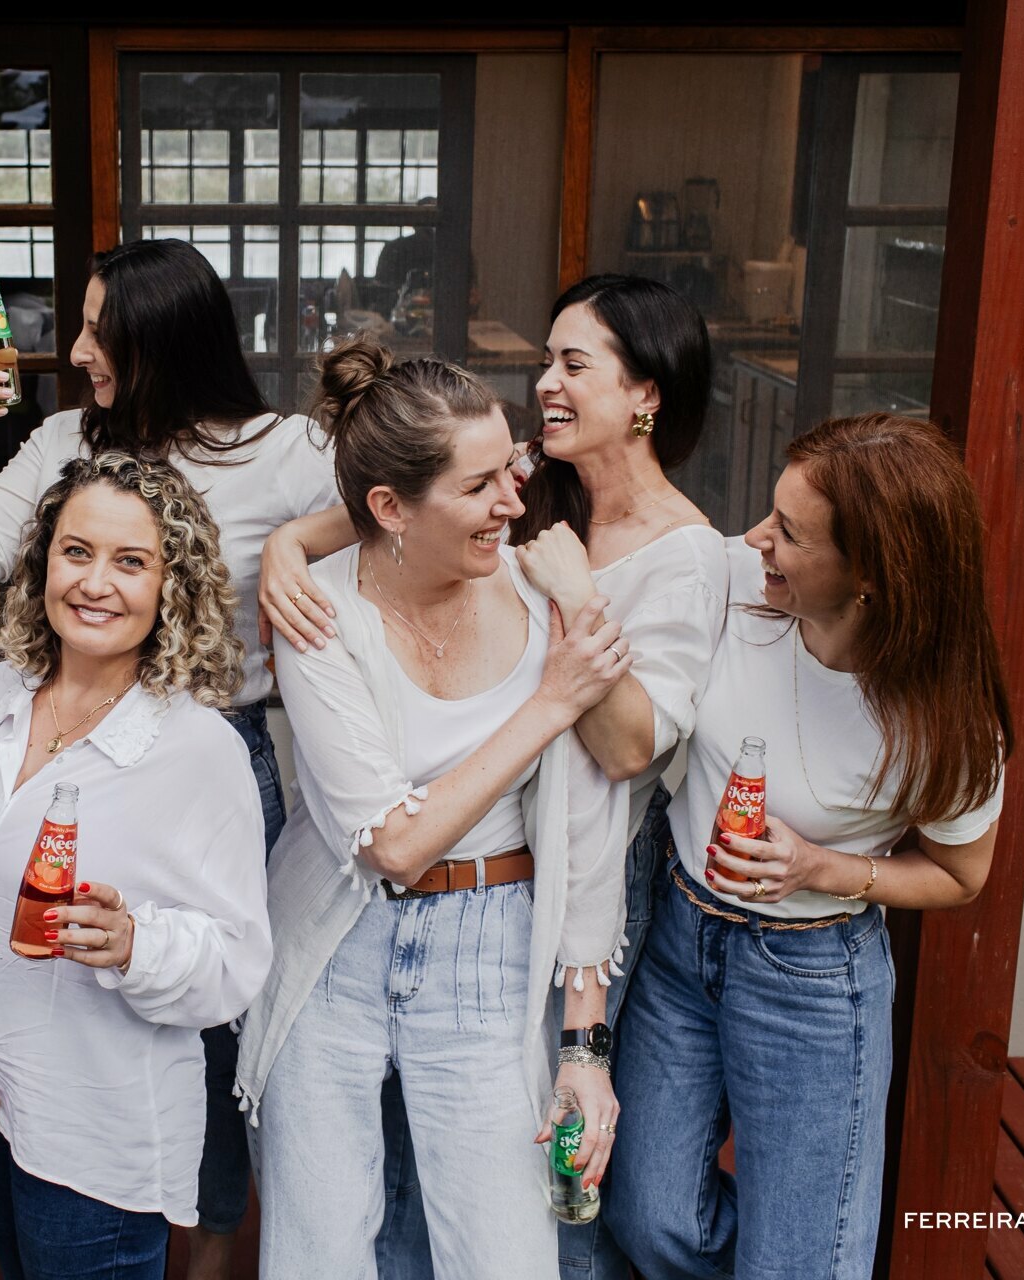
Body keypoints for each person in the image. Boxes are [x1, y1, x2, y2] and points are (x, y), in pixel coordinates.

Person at [0, 237, 339, 1279]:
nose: (75, 349)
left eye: (100, 330)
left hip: (211, 749)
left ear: (163, 341)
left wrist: (297, 542)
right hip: (74, 738)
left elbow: (405, 497)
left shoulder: (283, 450)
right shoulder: (71, 435)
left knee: (213, 1027)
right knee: (66, 997)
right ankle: (49, 1165)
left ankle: (200, 1254)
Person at [237, 337, 633, 1280]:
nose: (514, 501)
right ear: (387, 509)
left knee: (506, 1255)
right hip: (335, 936)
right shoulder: (316, 612)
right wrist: (550, 705)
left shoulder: (546, 599)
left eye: (513, 470)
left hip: (489, 947)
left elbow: (586, 832)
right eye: (482, 485)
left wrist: (584, 1044)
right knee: (316, 1251)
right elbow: (393, 844)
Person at [603, 413, 1012, 1279]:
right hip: (679, 945)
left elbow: (961, 875)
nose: (755, 538)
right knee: (648, 1218)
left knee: (800, 1262)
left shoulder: (946, 719)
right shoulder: (732, 587)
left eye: (788, 532)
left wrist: (824, 868)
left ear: (870, 576)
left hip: (813, 980)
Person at [0, 452, 272, 1280]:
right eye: (77, 552)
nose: (96, 582)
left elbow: (235, 963)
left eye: (131, 562)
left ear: (173, 586)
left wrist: (135, 943)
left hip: (94, 1129)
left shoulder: (197, 749)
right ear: (42, 563)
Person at [510, 275, 729, 1279]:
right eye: (546, 360)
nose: (544, 382)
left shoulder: (687, 555)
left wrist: (576, 592)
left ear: (646, 394)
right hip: (495, 849)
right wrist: (294, 546)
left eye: (572, 363)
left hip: (601, 874)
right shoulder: (540, 498)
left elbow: (632, 743)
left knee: (563, 1149)